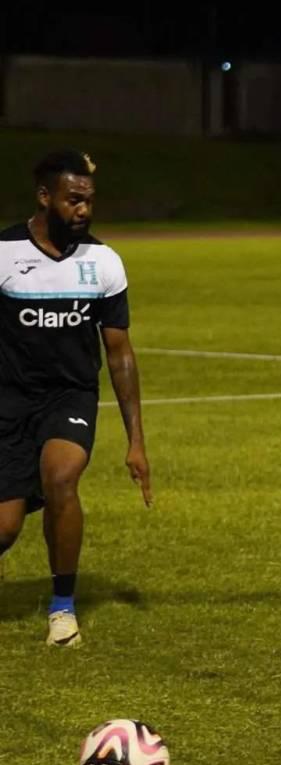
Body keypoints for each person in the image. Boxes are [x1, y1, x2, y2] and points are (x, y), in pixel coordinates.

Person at [0, 150, 152, 647]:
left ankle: (62, 608)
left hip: (70, 395)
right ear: (45, 198)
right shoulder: (4, 253)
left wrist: (136, 442)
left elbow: (120, 355)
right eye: (73, 200)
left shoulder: (103, 262)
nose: (84, 210)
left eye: (89, 200)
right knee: (5, 528)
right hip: (9, 401)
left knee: (62, 476)